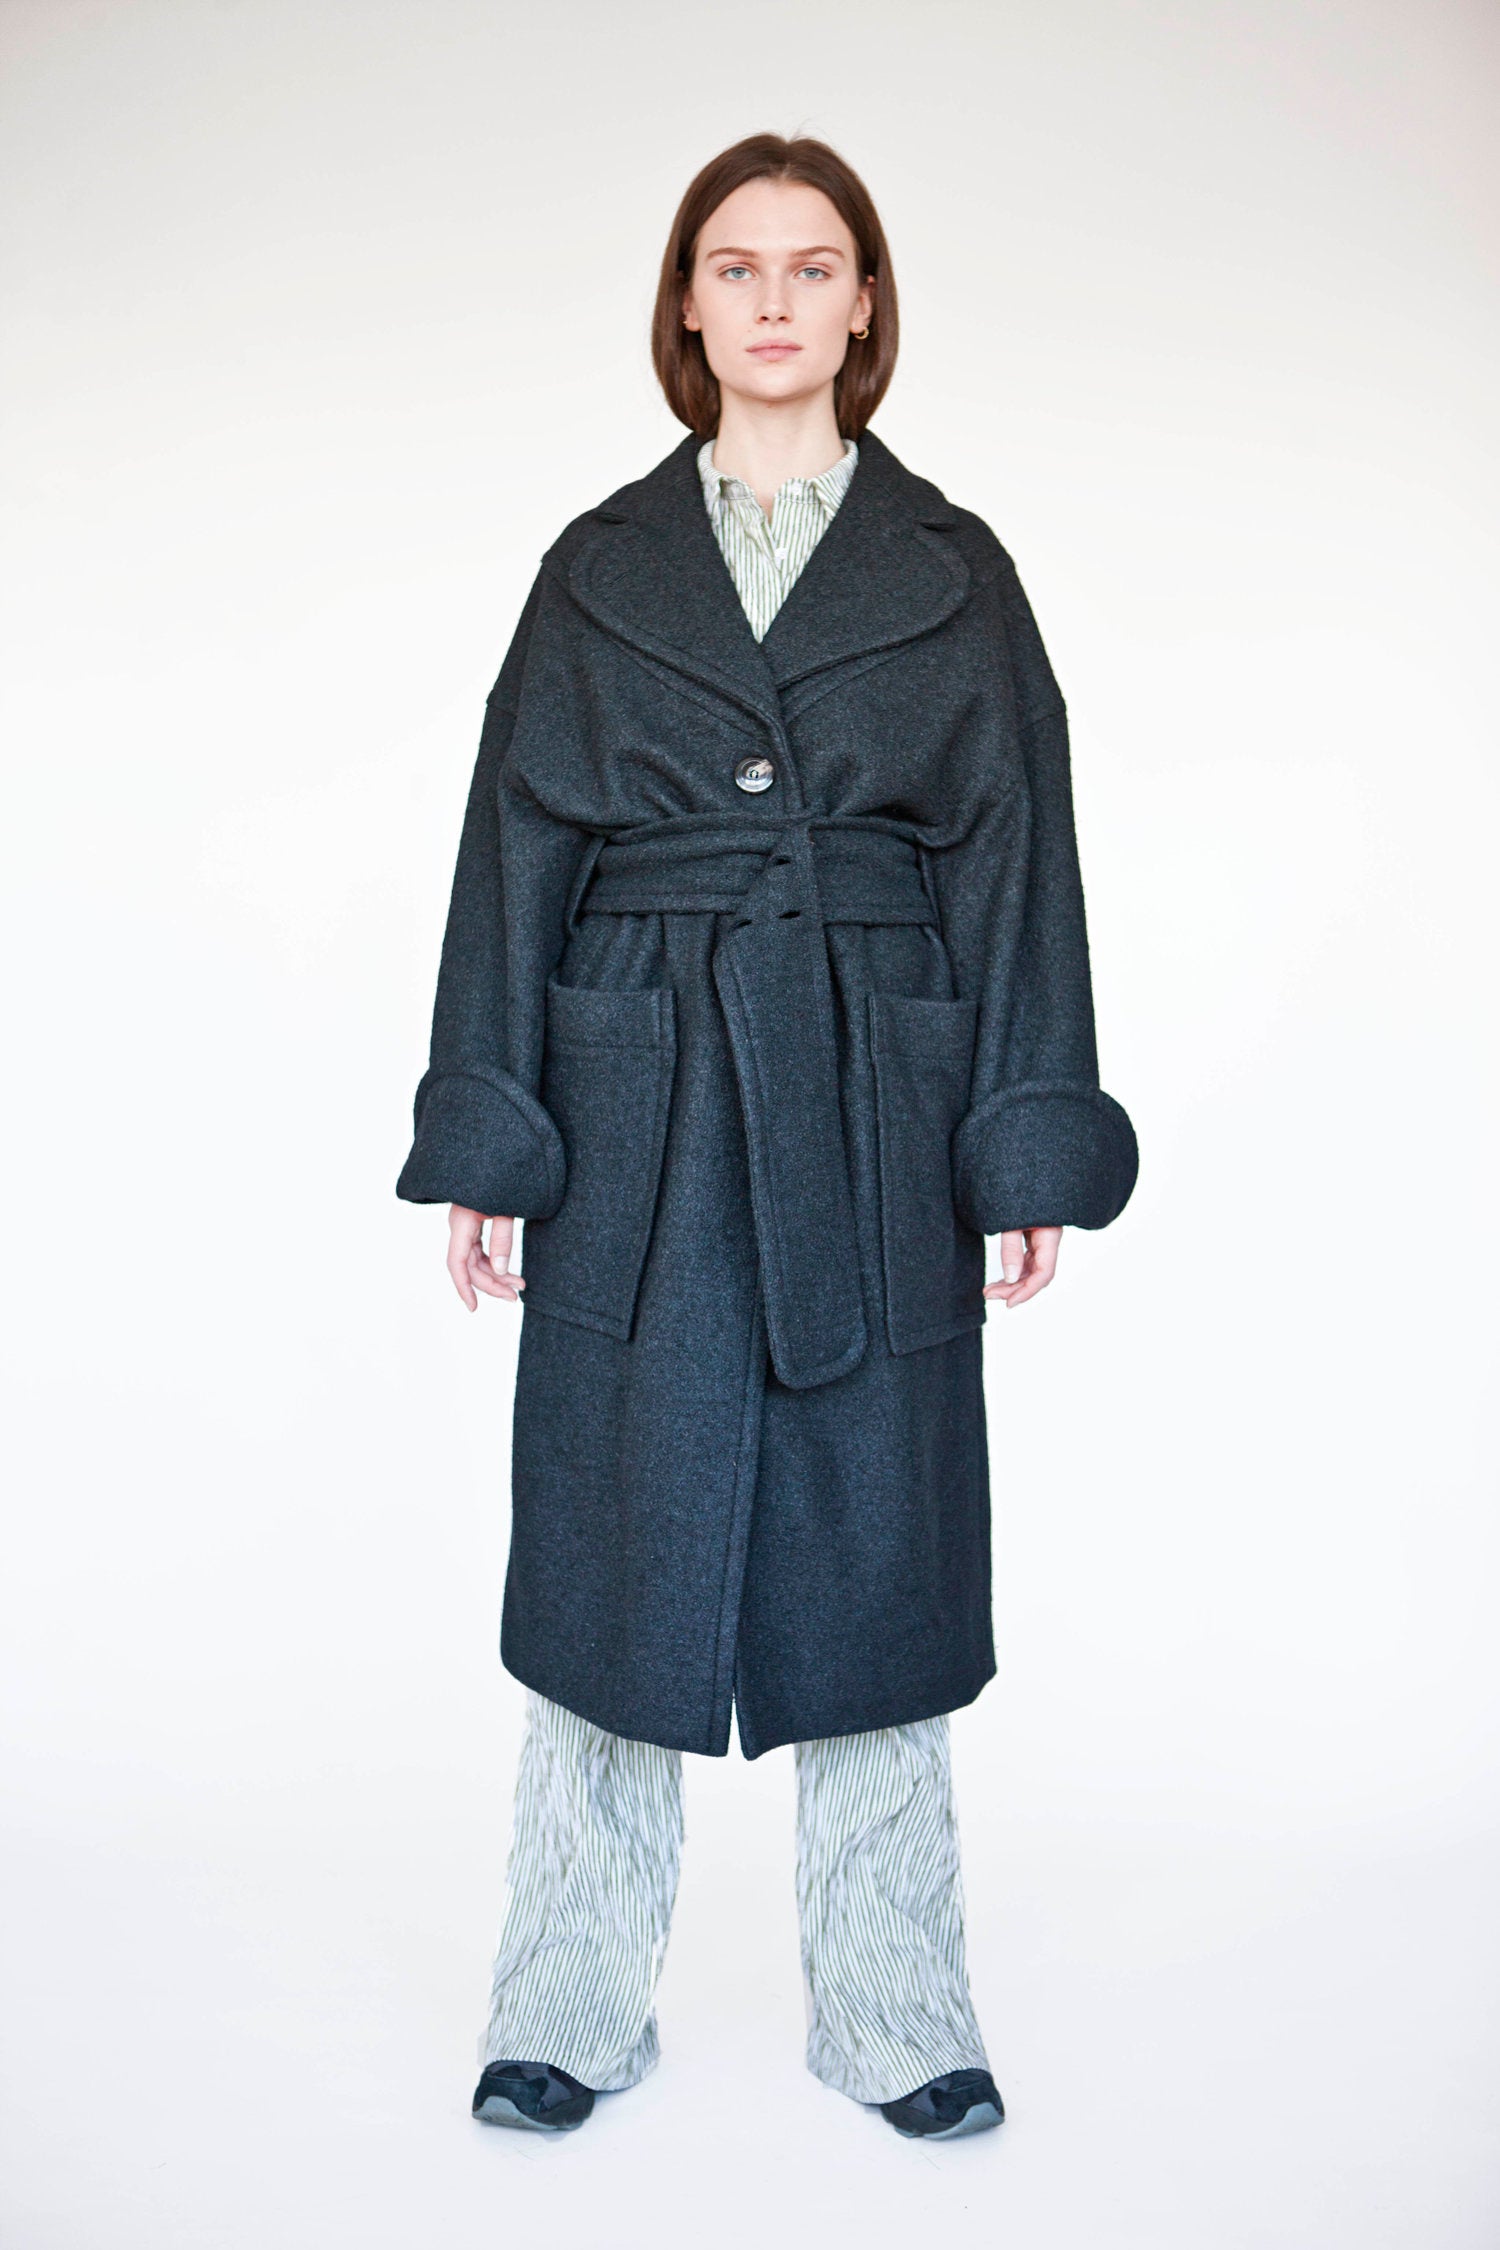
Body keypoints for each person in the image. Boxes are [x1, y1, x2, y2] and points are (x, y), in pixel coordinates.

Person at [396, 132, 1137, 2141]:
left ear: (866, 303)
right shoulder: (597, 571)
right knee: (606, 1546)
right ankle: (565, 2004)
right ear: (688, 302)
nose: (778, 299)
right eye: (738, 265)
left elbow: (1020, 865)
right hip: (633, 1088)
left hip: (872, 1094)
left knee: (879, 1544)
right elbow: (511, 850)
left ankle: (898, 2015)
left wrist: (1019, 1137)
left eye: (816, 266)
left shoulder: (952, 573)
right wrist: (493, 1130)